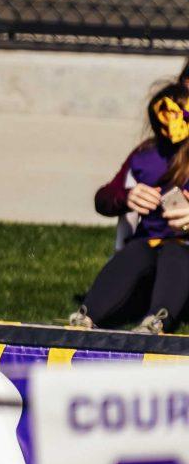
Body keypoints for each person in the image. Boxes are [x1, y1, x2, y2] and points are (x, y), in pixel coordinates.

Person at [73, 83, 189, 334]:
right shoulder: (145, 155)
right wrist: (127, 196)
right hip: (148, 246)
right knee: (135, 252)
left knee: (176, 253)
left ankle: (157, 321)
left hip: (184, 250)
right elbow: (103, 198)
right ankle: (86, 316)